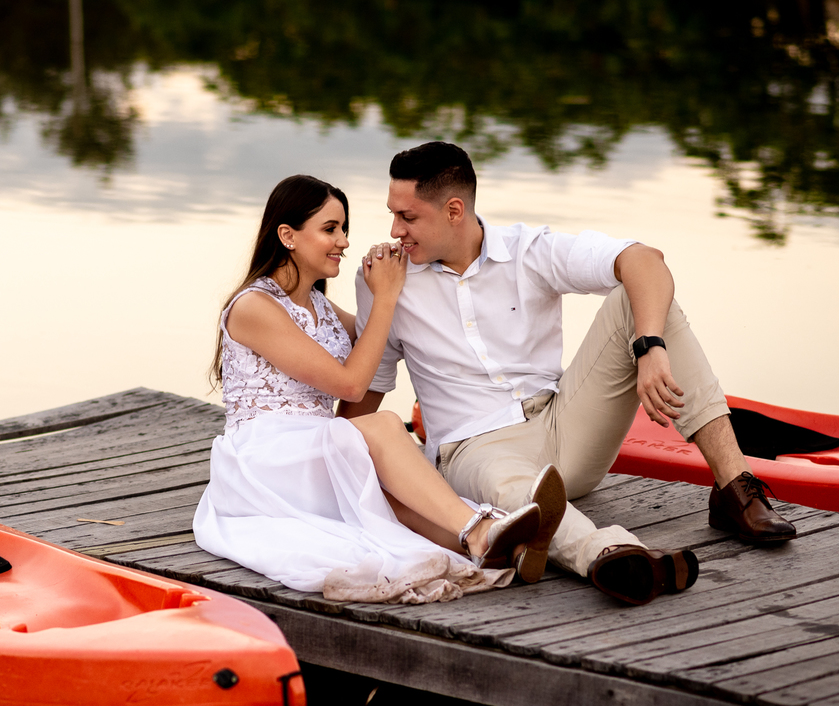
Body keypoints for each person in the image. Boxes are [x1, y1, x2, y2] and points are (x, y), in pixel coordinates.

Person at [341, 142, 797, 606]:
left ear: (454, 210)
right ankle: (616, 555)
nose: (395, 231)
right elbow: (366, 387)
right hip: (474, 449)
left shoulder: (528, 250)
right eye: (393, 214)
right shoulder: (384, 279)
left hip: (563, 425)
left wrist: (650, 346)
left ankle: (735, 489)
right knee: (508, 488)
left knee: (635, 301)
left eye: (408, 217)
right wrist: (330, 457)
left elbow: (644, 259)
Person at [193, 174, 566, 604]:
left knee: (386, 487)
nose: (344, 241)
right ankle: (481, 527)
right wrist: (385, 297)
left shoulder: (318, 305)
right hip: (265, 459)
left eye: (344, 228)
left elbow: (386, 342)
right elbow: (351, 382)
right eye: (330, 229)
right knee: (385, 427)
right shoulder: (254, 307)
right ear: (287, 235)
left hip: (307, 450)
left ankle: (498, 546)